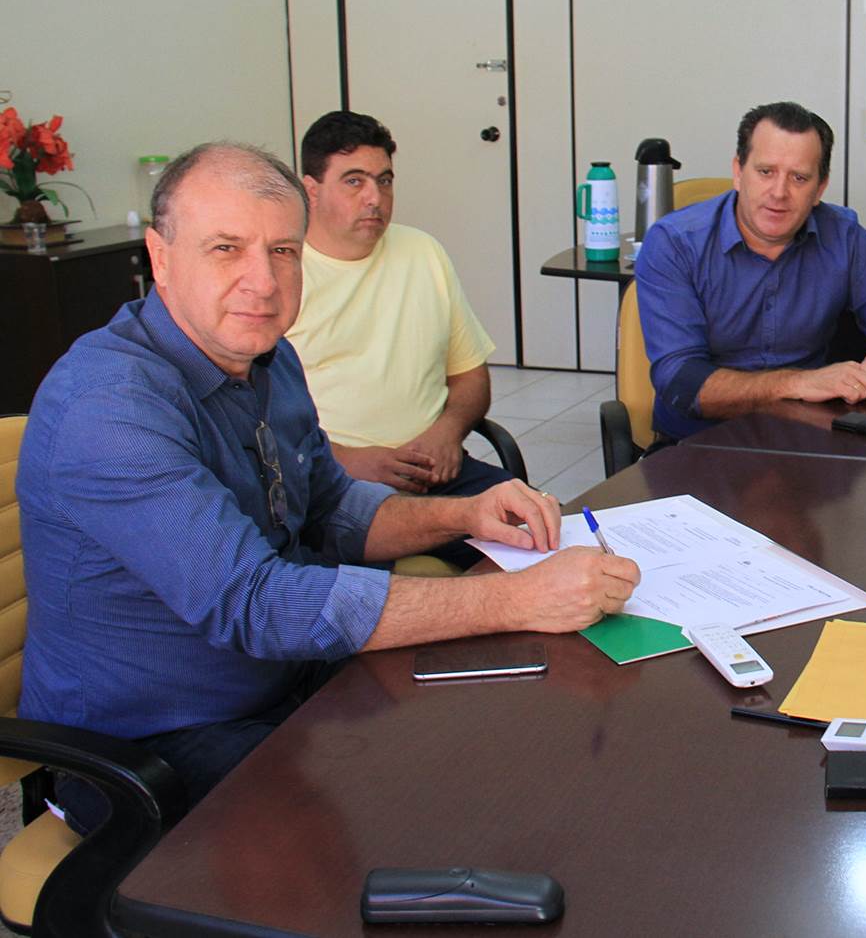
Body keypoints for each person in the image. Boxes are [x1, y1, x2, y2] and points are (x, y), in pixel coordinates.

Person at [17, 143, 641, 833]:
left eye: (283, 251)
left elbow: (331, 507)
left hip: (285, 676)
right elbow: (254, 602)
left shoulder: (270, 358)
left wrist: (464, 515)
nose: (263, 281)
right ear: (160, 258)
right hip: (151, 741)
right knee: (403, 827)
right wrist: (516, 598)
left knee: (493, 736)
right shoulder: (109, 405)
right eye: (226, 249)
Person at [634, 101, 866, 442]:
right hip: (697, 445)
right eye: (765, 172)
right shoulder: (674, 242)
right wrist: (796, 383)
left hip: (807, 439)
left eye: (799, 178)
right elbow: (681, 381)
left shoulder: (843, 236)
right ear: (738, 172)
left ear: (820, 188)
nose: (779, 193)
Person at [285, 111, 506, 568]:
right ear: (311, 189)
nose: (375, 198)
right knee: (386, 596)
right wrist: (343, 461)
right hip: (337, 487)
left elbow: (470, 376)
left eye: (384, 181)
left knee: (548, 534)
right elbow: (258, 423)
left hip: (437, 473)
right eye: (354, 181)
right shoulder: (281, 275)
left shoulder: (422, 252)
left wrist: (448, 432)